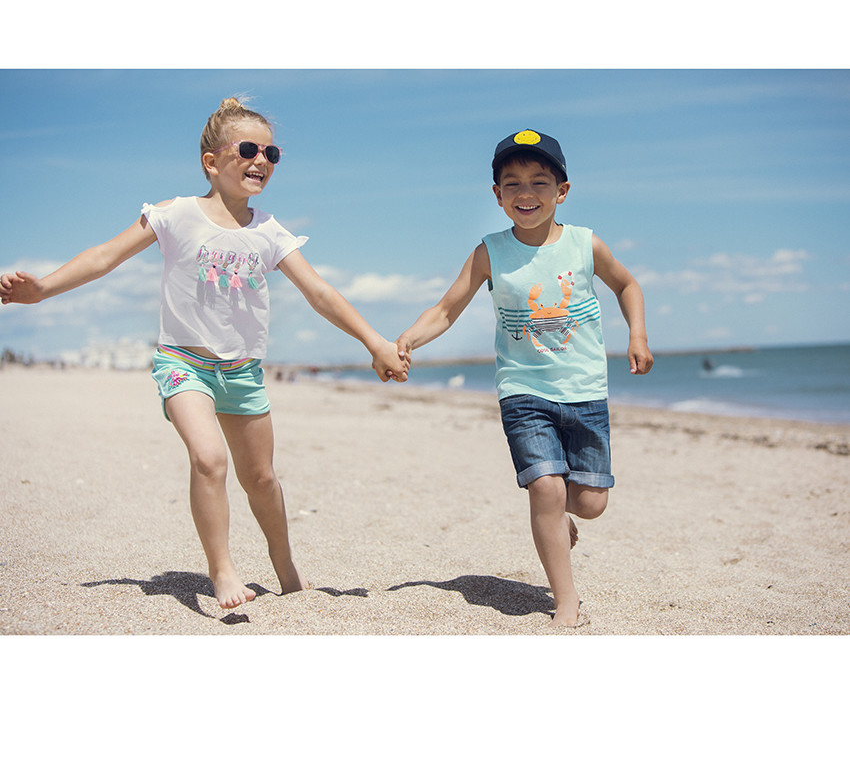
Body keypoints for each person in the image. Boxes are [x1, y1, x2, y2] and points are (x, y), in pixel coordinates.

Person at [0, 97, 408, 610]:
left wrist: (375, 343)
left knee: (260, 479)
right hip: (182, 363)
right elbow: (104, 257)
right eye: (248, 149)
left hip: (242, 371)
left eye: (271, 152)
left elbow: (321, 293)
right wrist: (42, 289)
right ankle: (222, 569)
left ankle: (285, 565)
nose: (261, 159)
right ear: (210, 162)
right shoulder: (174, 216)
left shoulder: (270, 231)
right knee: (209, 459)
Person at [396, 129, 653, 628]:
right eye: (512, 183)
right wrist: (406, 340)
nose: (526, 192)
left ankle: (560, 523)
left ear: (562, 191)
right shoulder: (490, 251)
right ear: (497, 196)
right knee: (546, 490)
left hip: (584, 392)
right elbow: (447, 309)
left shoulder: (584, 243)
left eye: (539, 181)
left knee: (590, 503)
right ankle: (566, 600)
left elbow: (627, 283)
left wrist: (636, 335)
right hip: (523, 391)